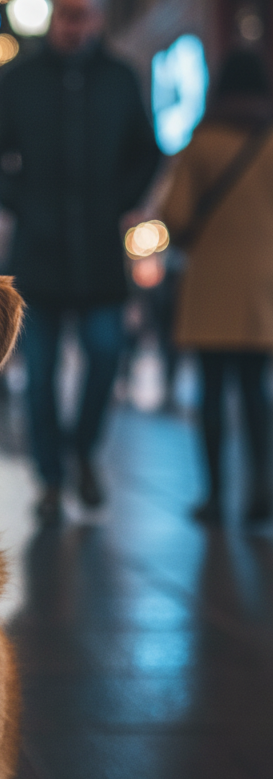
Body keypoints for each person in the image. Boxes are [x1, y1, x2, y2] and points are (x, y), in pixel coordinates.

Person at [0, 0, 161, 522]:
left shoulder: (120, 80)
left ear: (98, 19)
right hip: (40, 253)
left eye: (83, 15)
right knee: (40, 371)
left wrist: (120, 202)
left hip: (100, 253)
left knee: (106, 354)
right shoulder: (22, 82)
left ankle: (82, 450)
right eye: (65, 15)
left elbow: (145, 153)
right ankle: (52, 476)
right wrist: (20, 203)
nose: (73, 25)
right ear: (54, 19)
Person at [162, 50, 273, 524]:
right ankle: (261, 489)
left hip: (211, 287)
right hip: (263, 290)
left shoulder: (201, 143)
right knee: (256, 393)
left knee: (211, 393)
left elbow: (176, 215)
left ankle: (214, 496)